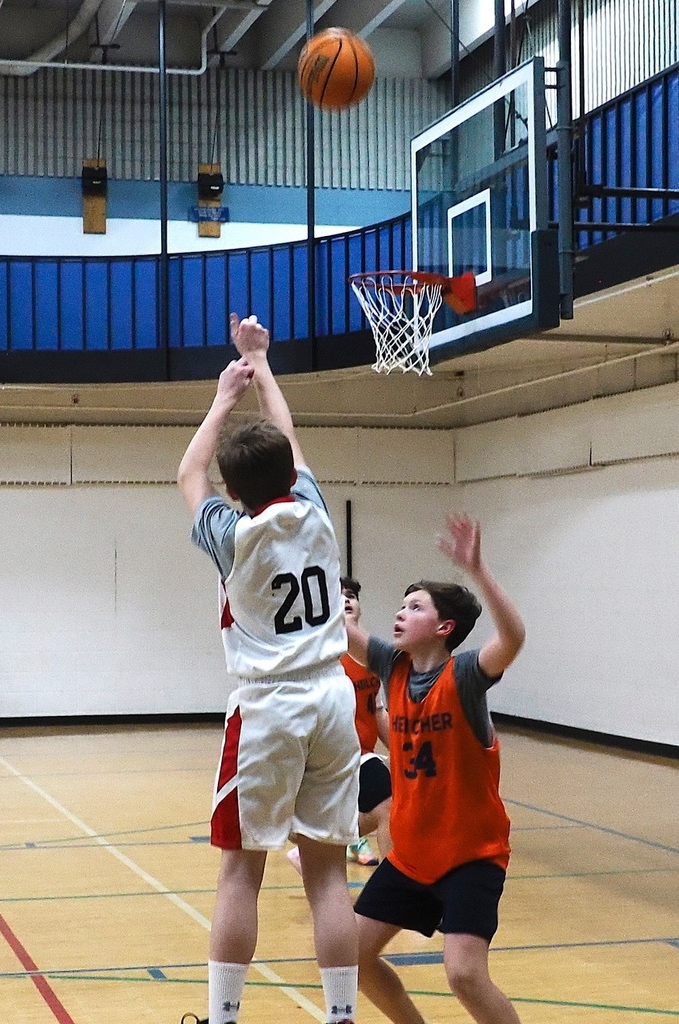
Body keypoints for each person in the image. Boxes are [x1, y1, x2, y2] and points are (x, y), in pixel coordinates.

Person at [177, 313, 360, 1024]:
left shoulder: (231, 534)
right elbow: (288, 436)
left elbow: (188, 471)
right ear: (290, 473)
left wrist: (224, 393)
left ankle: (223, 1020)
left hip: (269, 710)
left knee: (240, 872)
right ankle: (340, 1017)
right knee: (328, 877)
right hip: (333, 701)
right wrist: (262, 363)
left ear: (234, 489)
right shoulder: (315, 511)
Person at [345, 514, 526, 1024]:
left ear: (444, 627)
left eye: (415, 607)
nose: (400, 613)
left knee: (464, 975)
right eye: (401, 605)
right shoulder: (392, 667)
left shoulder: (464, 675)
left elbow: (512, 638)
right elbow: (345, 632)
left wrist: (479, 570)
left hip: (472, 854)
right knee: (351, 956)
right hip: (412, 853)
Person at [287, 575, 392, 874]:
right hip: (335, 755)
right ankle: (392, 889)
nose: (347, 600)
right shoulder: (323, 652)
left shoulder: (372, 654)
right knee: (390, 807)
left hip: (364, 753)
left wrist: (401, 748)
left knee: (383, 811)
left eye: (352, 595)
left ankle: (309, 852)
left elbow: (378, 710)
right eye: (339, 595)